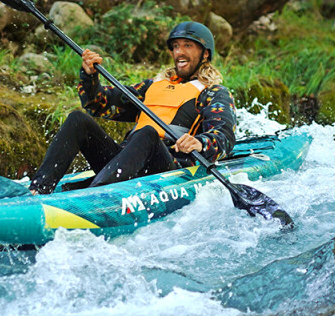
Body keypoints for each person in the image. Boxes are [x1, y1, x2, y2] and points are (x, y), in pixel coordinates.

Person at [29, 21, 236, 195]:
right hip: (126, 163)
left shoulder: (213, 93)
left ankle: (98, 197)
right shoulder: (151, 87)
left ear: (205, 54)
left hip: (167, 169)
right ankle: (39, 190)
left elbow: (224, 138)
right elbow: (98, 104)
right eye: (175, 46)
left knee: (148, 133)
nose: (179, 52)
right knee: (78, 120)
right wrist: (90, 76)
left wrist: (199, 143)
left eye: (188, 46)